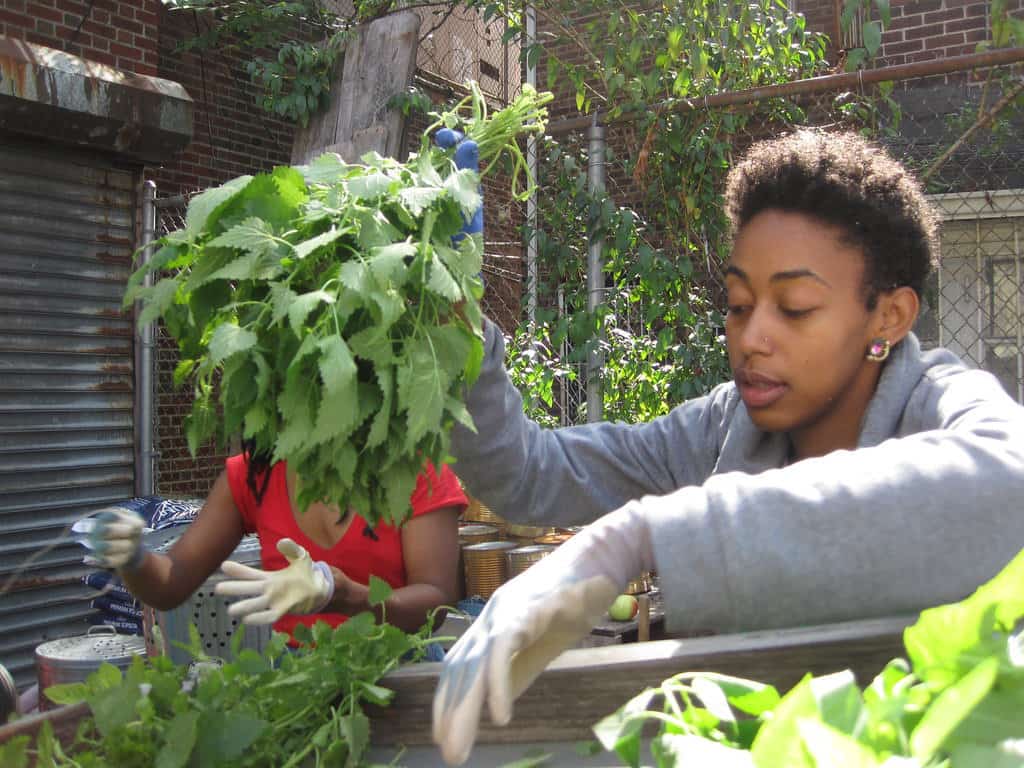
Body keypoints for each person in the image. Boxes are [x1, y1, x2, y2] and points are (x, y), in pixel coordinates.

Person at [431, 130, 1024, 764]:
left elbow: (1009, 488)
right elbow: (529, 474)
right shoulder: (723, 428)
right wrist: (456, 324)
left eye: (794, 307)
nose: (752, 337)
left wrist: (642, 534)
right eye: (740, 303)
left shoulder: (939, 402)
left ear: (889, 317)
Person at [82, 448, 467, 644]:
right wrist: (133, 558)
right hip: (297, 685)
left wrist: (344, 593)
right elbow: (171, 582)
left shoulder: (413, 467)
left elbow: (434, 603)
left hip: (402, 677)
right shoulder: (255, 475)